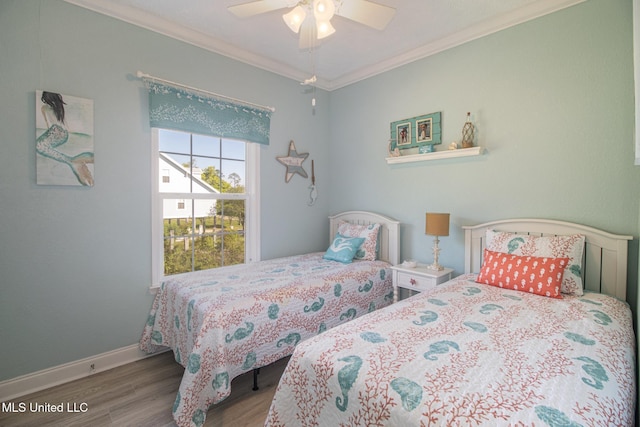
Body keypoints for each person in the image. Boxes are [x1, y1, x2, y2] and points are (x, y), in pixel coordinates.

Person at [37, 91, 94, 186]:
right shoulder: (59, 109)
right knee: (41, 146)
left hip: (55, 130)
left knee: (39, 146)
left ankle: (71, 161)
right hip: (64, 134)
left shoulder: (45, 108)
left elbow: (49, 124)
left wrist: (49, 135)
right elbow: (64, 124)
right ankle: (75, 160)